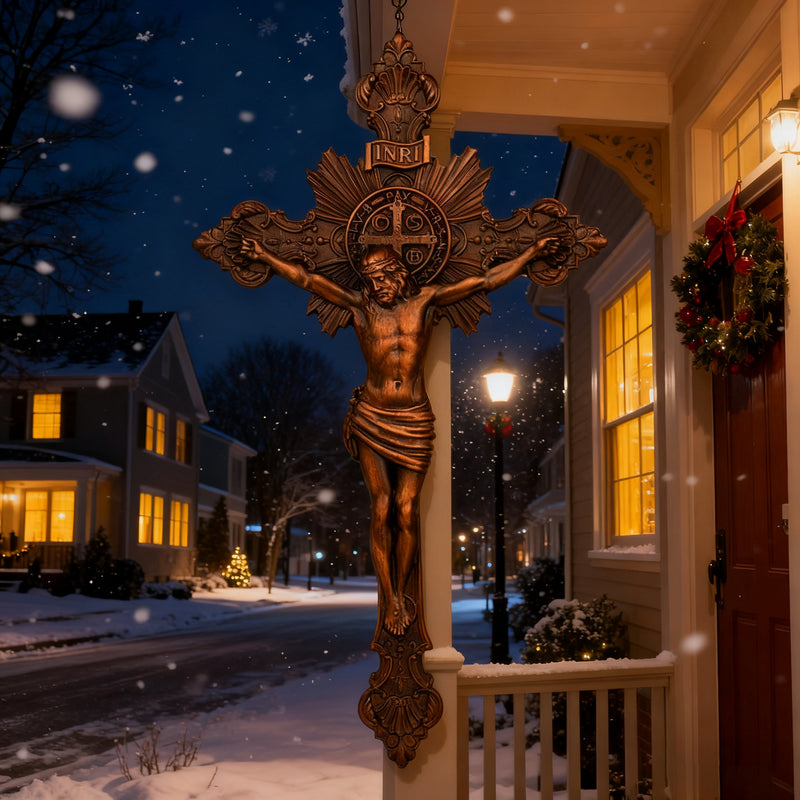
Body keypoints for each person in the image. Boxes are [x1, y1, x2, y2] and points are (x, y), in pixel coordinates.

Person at [239, 236, 559, 634]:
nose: (376, 285)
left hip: (414, 417)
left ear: (398, 272)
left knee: (407, 510)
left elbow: (484, 282)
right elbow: (307, 279)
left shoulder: (425, 301)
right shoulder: (360, 306)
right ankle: (391, 597)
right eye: (369, 279)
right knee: (382, 506)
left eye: (382, 276)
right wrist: (267, 255)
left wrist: (529, 253)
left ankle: (403, 589)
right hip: (372, 415)